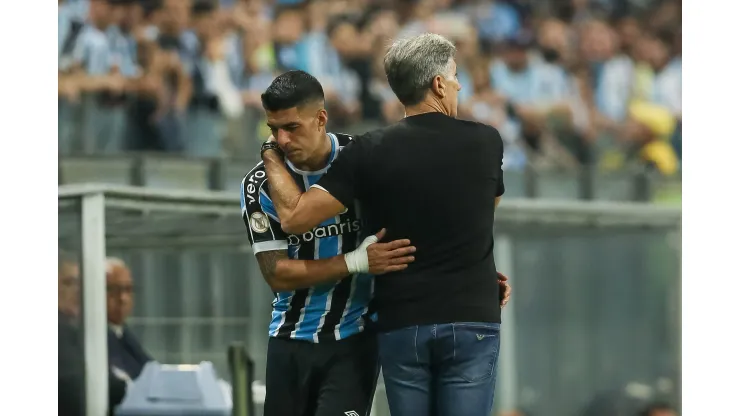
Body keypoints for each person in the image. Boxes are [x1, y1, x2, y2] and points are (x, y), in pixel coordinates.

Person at [260, 34, 508, 416]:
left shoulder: (370, 149)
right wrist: (479, 270)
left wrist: (271, 156)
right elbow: (479, 216)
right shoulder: (488, 142)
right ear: (438, 84)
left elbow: (294, 218)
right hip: (472, 313)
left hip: (402, 320)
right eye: (455, 76)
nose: (458, 84)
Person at [239, 70, 418, 416]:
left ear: (321, 119)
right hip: (289, 340)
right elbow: (277, 273)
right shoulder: (259, 184)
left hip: (354, 341)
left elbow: (417, 225)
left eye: (292, 128)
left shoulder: (363, 159)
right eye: (273, 130)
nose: (283, 140)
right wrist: (356, 262)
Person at [106, 257, 152, 381]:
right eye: (114, 290)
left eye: (128, 290)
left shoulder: (124, 336)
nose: (123, 298)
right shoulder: (91, 340)